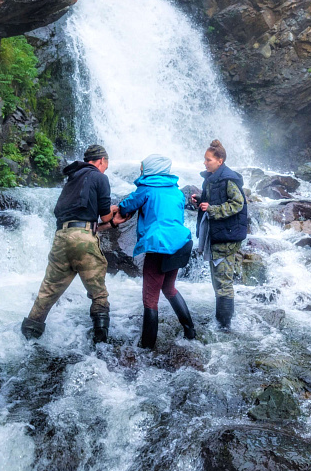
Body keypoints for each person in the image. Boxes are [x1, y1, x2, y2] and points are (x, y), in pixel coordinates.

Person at [22, 144, 115, 343]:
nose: (105, 169)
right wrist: (113, 215)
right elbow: (106, 217)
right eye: (106, 165)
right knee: (98, 293)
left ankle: (28, 338)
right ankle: (101, 344)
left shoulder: (72, 179)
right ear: (101, 161)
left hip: (62, 237)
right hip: (84, 240)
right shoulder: (100, 177)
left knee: (47, 293)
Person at [115, 154, 196, 348]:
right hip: (180, 244)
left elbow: (126, 207)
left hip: (159, 246)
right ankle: (190, 331)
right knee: (169, 288)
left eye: (142, 167)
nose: (141, 170)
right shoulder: (176, 191)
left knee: (150, 298)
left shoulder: (146, 188)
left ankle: (147, 347)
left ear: (150, 169)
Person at [192, 139, 247, 330]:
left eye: (208, 160)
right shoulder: (212, 178)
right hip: (218, 234)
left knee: (223, 283)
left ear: (220, 161)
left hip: (226, 237)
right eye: (205, 159)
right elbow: (215, 200)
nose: (205, 163)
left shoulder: (228, 180)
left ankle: (224, 327)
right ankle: (222, 322)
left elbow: (237, 203)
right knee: (218, 281)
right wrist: (201, 200)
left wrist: (212, 209)